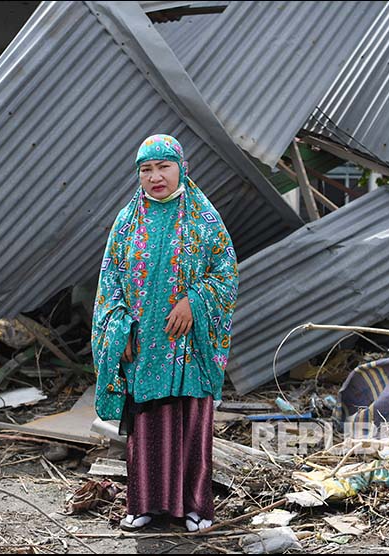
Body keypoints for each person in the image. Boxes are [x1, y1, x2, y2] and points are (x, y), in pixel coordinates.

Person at [92, 134, 238, 532]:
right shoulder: (126, 222)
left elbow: (225, 274)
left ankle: (196, 508)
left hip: (188, 347)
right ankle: (145, 505)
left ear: (182, 169)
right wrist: (118, 327)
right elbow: (110, 283)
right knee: (148, 426)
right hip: (143, 346)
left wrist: (195, 300)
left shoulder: (203, 219)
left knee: (190, 422)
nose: (156, 177)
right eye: (146, 169)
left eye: (163, 167)